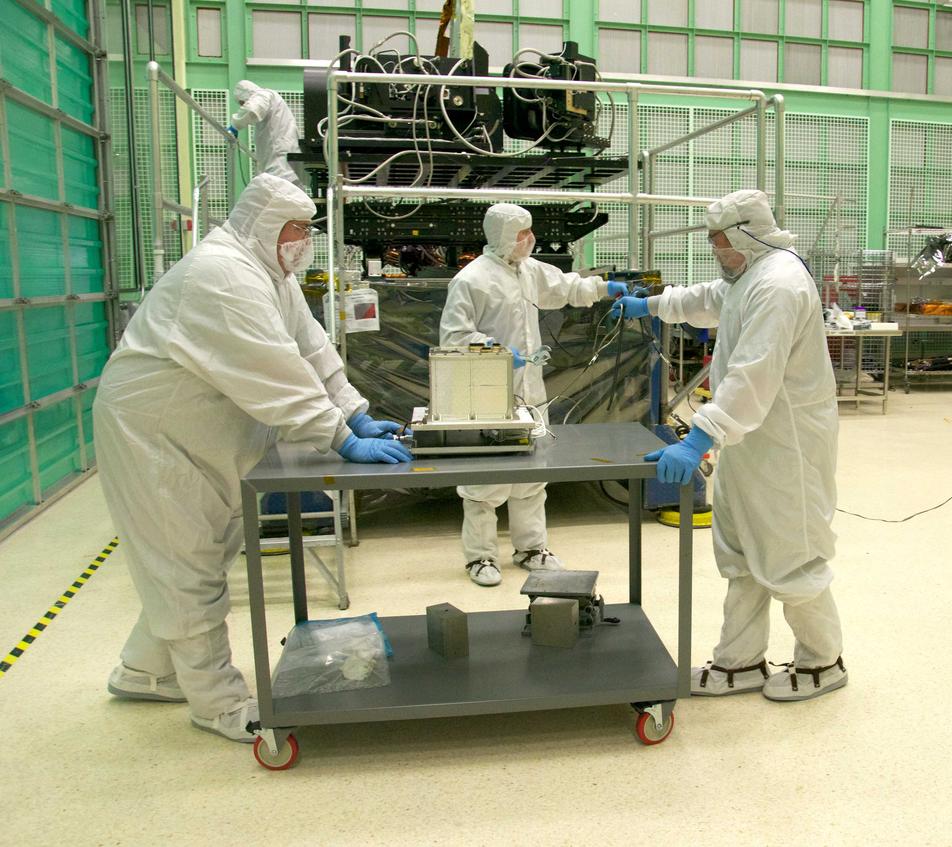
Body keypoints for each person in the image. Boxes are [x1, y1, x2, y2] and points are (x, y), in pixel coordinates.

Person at [95, 173, 412, 742]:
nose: (303, 242)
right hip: (154, 435)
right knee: (185, 562)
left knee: (200, 555)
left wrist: (356, 410)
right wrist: (340, 438)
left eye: (307, 230)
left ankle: (144, 671)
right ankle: (216, 702)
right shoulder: (221, 274)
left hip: (199, 436)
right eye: (296, 230)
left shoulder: (271, 273)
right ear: (266, 227)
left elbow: (310, 346)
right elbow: (276, 370)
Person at [611, 189, 845, 702]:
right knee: (740, 553)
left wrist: (697, 439)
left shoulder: (779, 284)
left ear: (746, 234)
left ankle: (823, 660)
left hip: (788, 445)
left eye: (721, 243)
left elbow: (752, 375)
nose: (717, 252)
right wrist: (647, 304)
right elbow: (708, 298)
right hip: (748, 440)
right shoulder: (748, 276)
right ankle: (741, 663)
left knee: (791, 555)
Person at [439, 203, 626, 587]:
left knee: (532, 475)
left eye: (529, 232)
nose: (529, 239)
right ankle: (480, 557)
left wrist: (604, 286)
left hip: (530, 390)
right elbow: (454, 338)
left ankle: (531, 548)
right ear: (503, 236)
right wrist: (497, 350)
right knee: (484, 479)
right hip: (488, 392)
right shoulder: (471, 280)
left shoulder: (528, 271)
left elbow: (566, 286)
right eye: (522, 233)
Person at [227, 80, 305, 189]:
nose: (243, 106)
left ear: (246, 95)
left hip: (280, 164)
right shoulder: (272, 101)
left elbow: (251, 109)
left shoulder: (263, 95)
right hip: (284, 164)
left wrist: (235, 125)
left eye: (242, 103)